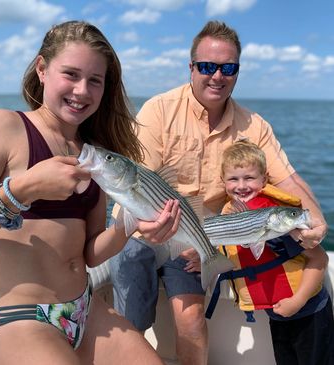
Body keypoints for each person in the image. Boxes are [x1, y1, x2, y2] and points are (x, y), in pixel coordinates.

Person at [109, 20, 328, 365]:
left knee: (193, 323)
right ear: (191, 67)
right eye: (208, 66)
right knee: (130, 322)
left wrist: (315, 219)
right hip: (143, 225)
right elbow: (138, 182)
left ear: (237, 71)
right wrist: (145, 228)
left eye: (228, 68)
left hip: (199, 234)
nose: (217, 76)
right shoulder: (159, 110)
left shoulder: (254, 125)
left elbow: (288, 179)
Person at [0, 20, 182, 365]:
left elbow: (91, 254)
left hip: (85, 309)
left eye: (94, 80)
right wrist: (21, 191)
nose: (82, 90)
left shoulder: (93, 154)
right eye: (71, 74)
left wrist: (131, 226)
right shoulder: (5, 127)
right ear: (41, 69)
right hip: (27, 319)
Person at [217, 140, 333, 365]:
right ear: (223, 183)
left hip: (309, 311)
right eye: (233, 179)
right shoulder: (231, 218)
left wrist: (298, 300)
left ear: (264, 179)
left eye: (249, 178)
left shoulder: (280, 221)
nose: (241, 185)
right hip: (277, 313)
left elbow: (320, 259)